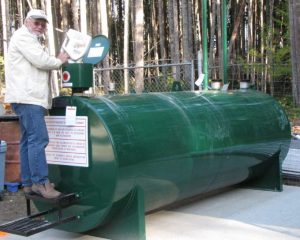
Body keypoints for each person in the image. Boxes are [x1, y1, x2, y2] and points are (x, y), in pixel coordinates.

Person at [4, 9, 69, 198]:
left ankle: (29, 183)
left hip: (26, 97)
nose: (40, 26)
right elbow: (41, 61)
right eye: (36, 23)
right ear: (26, 22)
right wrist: (59, 60)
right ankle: (41, 183)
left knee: (27, 140)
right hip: (28, 98)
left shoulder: (29, 39)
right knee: (39, 139)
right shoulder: (23, 37)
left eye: (43, 24)